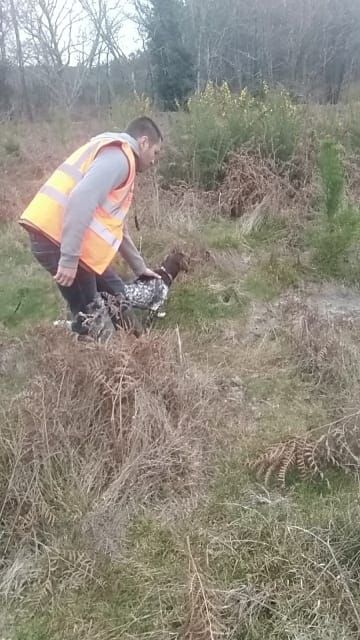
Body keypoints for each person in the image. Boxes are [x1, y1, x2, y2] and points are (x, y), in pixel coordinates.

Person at [19, 116, 162, 336]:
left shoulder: (120, 158)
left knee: (117, 294)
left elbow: (115, 227)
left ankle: (140, 346)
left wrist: (139, 267)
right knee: (92, 316)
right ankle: (103, 359)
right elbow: (81, 198)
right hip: (56, 240)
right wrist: (68, 258)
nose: (155, 161)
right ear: (143, 142)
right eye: (155, 153)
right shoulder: (120, 159)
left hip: (70, 242)